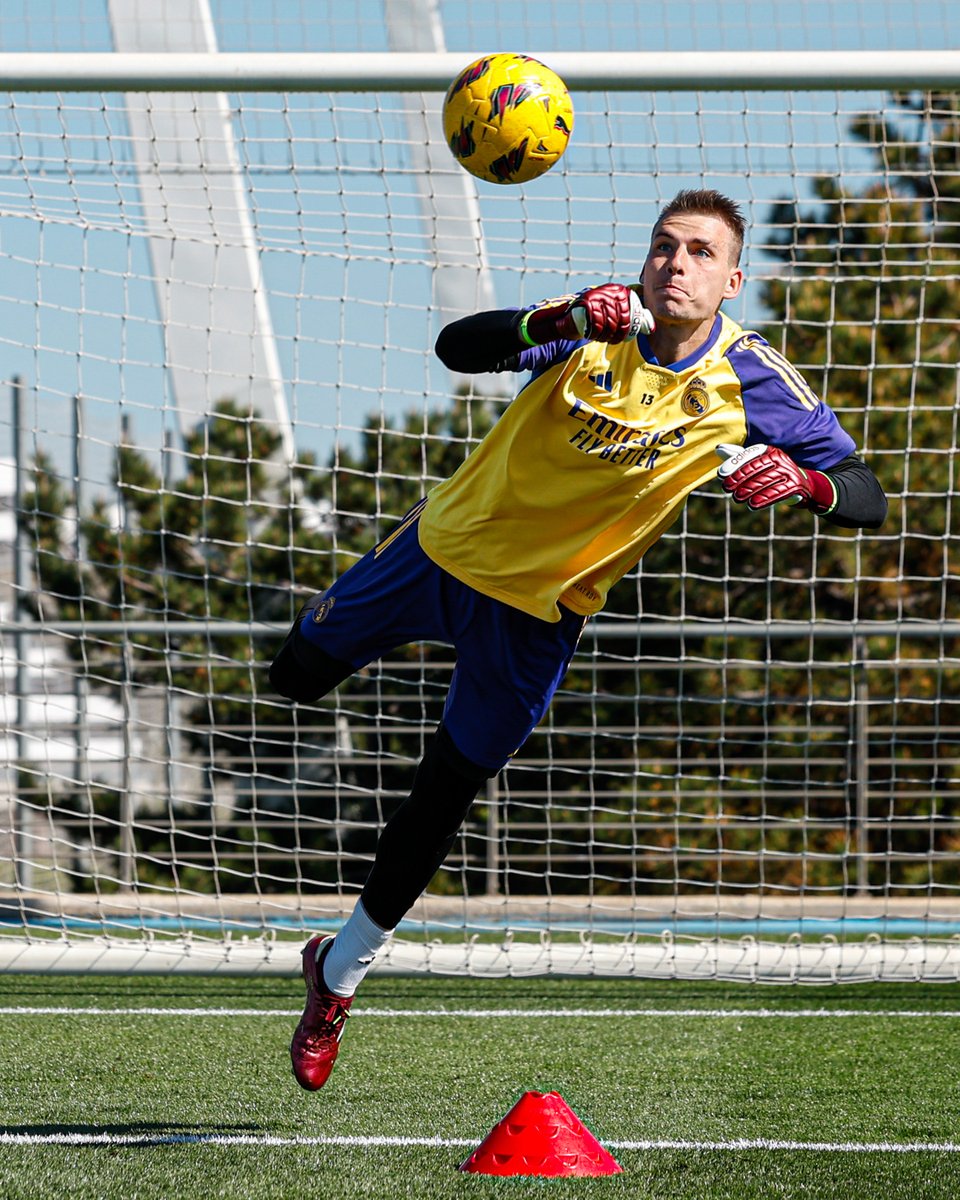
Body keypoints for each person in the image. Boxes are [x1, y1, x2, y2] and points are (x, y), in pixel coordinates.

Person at [269, 188, 887, 1091]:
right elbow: (456, 349)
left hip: (539, 614)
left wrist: (803, 482)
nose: (677, 264)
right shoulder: (595, 324)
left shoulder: (752, 379)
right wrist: (548, 316)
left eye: (701, 253)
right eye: (664, 247)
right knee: (293, 680)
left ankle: (339, 975)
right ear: (644, 260)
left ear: (733, 280)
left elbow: (865, 491)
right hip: (441, 550)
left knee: (442, 797)